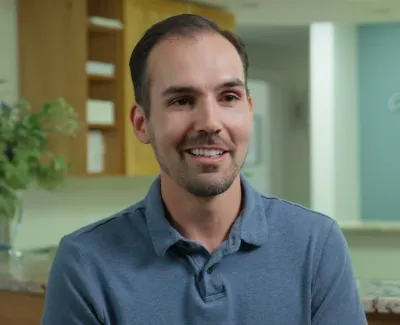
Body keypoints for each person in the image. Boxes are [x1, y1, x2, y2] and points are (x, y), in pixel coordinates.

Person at [41, 14, 367, 325]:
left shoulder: (316, 244)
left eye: (228, 96)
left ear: (249, 111)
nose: (210, 122)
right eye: (181, 100)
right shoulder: (85, 262)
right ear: (142, 123)